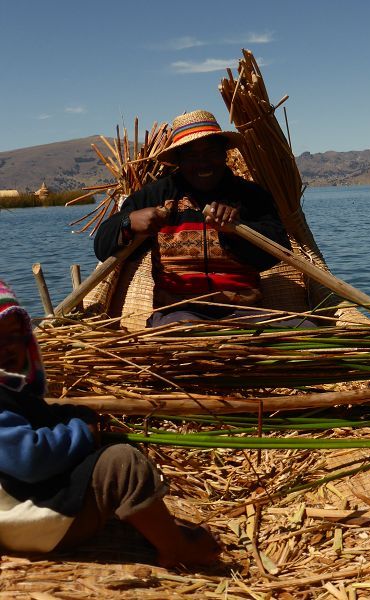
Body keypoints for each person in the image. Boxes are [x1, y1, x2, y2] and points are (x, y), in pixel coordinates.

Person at [0, 279, 219, 567]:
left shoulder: (9, 391)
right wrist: (82, 431)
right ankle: (177, 548)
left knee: (111, 444)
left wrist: (71, 416)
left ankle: (143, 520)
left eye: (13, 336)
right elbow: (30, 459)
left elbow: (39, 418)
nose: (7, 348)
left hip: (20, 512)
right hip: (26, 521)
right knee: (123, 462)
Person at [94, 109, 291, 327]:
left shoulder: (250, 196)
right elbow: (102, 247)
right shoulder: (156, 196)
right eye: (192, 156)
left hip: (246, 313)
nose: (203, 163)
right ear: (179, 160)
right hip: (178, 314)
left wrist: (236, 231)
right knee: (185, 334)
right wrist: (128, 222)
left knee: (305, 331)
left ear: (224, 154)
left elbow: (279, 250)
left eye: (211, 153)